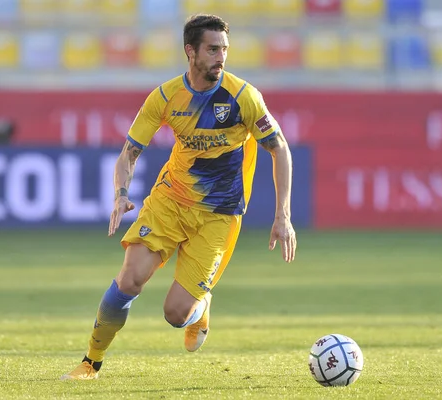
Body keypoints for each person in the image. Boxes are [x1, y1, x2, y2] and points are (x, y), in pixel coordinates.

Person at [60, 13, 297, 380]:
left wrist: (283, 215)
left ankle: (200, 309)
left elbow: (278, 148)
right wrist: (121, 193)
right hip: (170, 200)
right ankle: (91, 361)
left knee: (175, 314)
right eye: (213, 49)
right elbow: (129, 153)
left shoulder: (242, 96)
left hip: (218, 215)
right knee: (128, 279)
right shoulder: (167, 97)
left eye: (225, 50)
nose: (221, 57)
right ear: (191, 52)